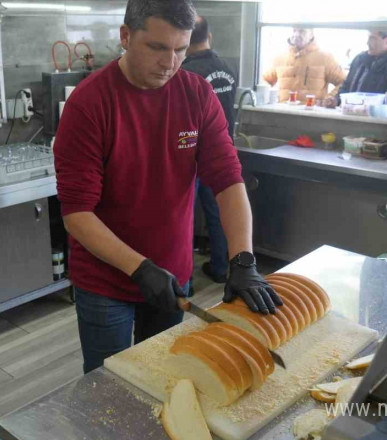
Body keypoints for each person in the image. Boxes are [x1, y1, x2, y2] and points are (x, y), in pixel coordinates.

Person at [54, 0, 281, 374]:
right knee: (107, 383)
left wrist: (243, 259)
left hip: (173, 274)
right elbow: (77, 214)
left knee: (162, 377)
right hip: (106, 281)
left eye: (180, 49)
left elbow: (227, 180)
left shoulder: (196, 94)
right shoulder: (90, 104)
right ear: (126, 36)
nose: (170, 63)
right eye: (157, 48)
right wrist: (139, 267)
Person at [180, 15, 236, 285]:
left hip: (191, 156)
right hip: (220, 152)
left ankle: (184, 281)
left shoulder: (186, 73)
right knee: (219, 213)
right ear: (209, 37)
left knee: (183, 217)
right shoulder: (226, 67)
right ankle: (220, 268)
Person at [262, 28, 346, 103]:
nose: (296, 34)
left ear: (311, 34)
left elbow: (344, 83)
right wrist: (270, 99)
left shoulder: (325, 58)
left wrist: (331, 98)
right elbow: (264, 82)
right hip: (282, 115)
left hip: (313, 116)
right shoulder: (280, 58)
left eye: (302, 31)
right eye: (294, 30)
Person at [327, 30, 387, 108]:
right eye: (368, 38)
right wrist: (336, 99)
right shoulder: (359, 59)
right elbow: (346, 86)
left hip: (376, 117)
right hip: (351, 113)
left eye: (373, 39)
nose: (368, 43)